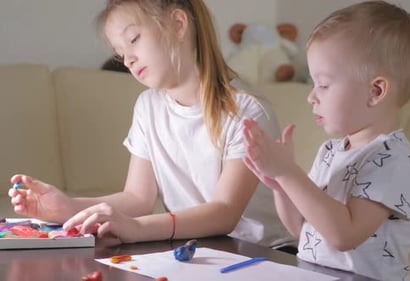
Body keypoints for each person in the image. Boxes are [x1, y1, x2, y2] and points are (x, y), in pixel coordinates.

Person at [8, 0, 293, 248]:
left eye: (133, 39)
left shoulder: (246, 110)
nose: (128, 60)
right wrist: (68, 207)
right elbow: (137, 197)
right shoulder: (148, 106)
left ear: (179, 24)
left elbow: (224, 212)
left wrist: (139, 228)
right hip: (198, 251)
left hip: (259, 254)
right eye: (120, 54)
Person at [242, 1, 410, 280]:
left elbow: (344, 235)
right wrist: (281, 185)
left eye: (324, 84)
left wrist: (289, 173)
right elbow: (301, 229)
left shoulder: (394, 160)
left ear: (376, 91)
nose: (311, 96)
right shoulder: (330, 151)